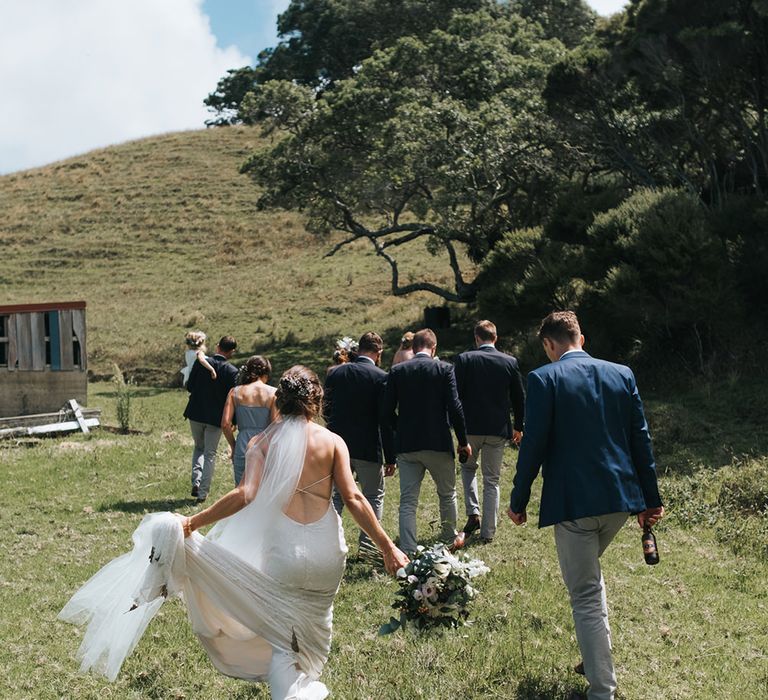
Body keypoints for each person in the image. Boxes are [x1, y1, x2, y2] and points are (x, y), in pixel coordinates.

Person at [59, 365, 409, 699]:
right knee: (315, 629)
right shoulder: (332, 442)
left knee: (284, 642)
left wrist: (193, 523)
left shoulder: (260, 443)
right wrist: (388, 547)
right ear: (316, 403)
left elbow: (245, 494)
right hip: (326, 553)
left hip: (285, 556)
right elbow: (355, 498)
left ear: (279, 401)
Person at [507, 311, 664, 700]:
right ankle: (596, 659)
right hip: (619, 501)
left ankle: (601, 690)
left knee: (585, 595)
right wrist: (651, 500)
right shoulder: (622, 373)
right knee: (590, 580)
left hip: (575, 503)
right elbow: (640, 439)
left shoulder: (544, 378)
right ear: (582, 337)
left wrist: (519, 498)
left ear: (549, 345)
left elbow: (534, 444)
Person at [381, 328, 471, 554]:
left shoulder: (398, 370)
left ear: (412, 348)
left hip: (408, 443)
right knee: (447, 494)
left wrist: (399, 427)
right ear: (434, 348)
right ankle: (448, 540)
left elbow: (385, 411)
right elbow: (455, 407)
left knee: (408, 500)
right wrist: (462, 440)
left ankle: (409, 548)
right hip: (437, 440)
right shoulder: (444, 369)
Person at [453, 320, 525, 546]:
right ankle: (488, 531)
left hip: (470, 428)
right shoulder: (509, 361)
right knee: (492, 480)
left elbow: (455, 395)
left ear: (476, 338)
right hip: (497, 429)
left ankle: (473, 512)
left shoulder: (464, 359)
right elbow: (518, 397)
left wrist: (457, 428)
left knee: (468, 469)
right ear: (496, 338)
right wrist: (519, 426)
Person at [324, 331, 396, 553]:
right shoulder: (381, 377)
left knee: (336, 495)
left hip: (337, 444)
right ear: (378, 352)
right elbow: (385, 420)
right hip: (367, 445)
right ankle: (367, 546)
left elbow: (325, 409)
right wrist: (390, 456)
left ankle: (329, 542)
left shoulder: (336, 373)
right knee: (373, 495)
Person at [183, 335, 238, 502]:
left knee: (199, 448)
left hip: (196, 413)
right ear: (232, 352)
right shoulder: (232, 371)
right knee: (210, 453)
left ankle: (196, 481)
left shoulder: (201, 363)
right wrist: (233, 420)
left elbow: (190, 386)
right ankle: (202, 492)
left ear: (217, 346)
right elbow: (233, 399)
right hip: (216, 418)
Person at [221, 355, 278, 487]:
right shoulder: (273, 393)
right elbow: (276, 425)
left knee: (241, 491)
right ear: (265, 373)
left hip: (242, 445)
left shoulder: (234, 392)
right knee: (264, 490)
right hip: (265, 446)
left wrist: (233, 445)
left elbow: (225, 424)